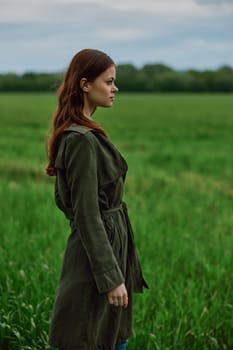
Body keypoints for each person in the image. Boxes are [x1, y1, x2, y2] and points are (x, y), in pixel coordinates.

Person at [46, 48, 148, 350]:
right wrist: (110, 277)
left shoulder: (86, 133)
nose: (115, 89)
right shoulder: (80, 140)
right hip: (97, 254)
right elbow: (86, 213)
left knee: (112, 335)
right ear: (85, 84)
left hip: (111, 244)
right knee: (89, 337)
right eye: (109, 81)